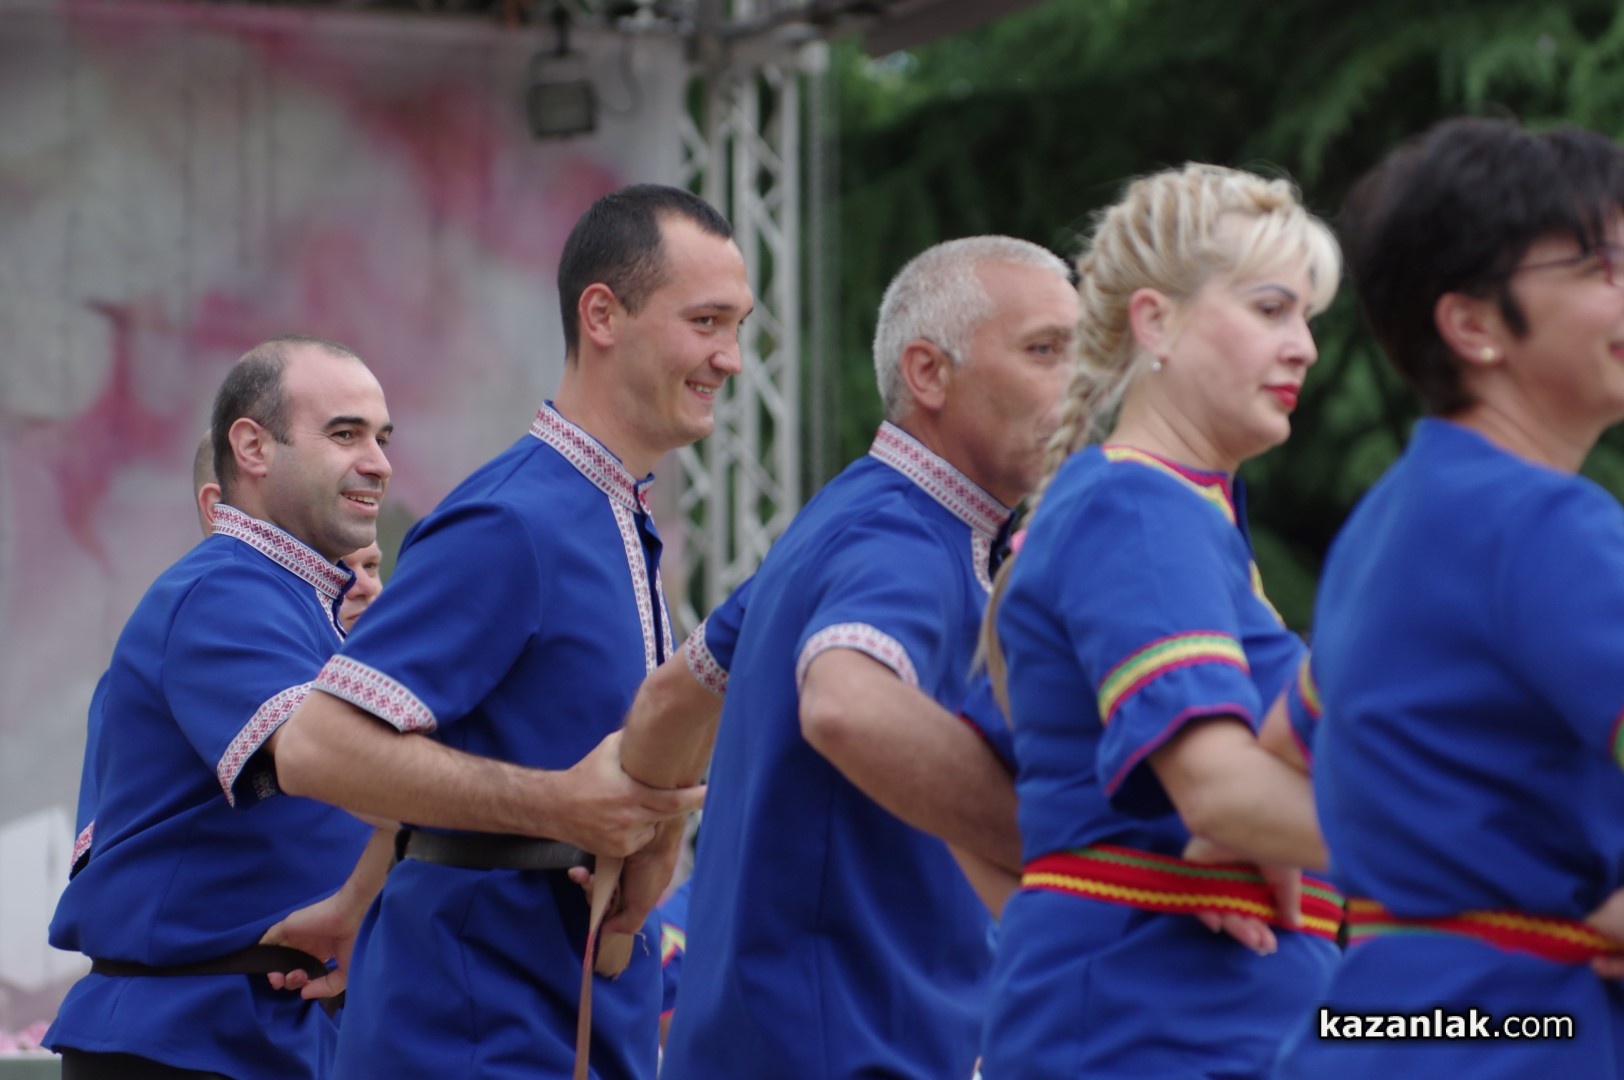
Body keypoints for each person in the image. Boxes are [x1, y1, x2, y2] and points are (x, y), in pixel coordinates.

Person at [268, 184, 734, 1080]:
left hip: (554, 1026)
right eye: (706, 321)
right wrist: (559, 807)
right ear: (603, 315)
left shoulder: (608, 515)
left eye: (737, 325)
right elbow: (318, 746)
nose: (732, 357)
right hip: (476, 1038)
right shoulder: (513, 521)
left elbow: (465, 748)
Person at [641, 236, 1079, 1080]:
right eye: (1044, 350)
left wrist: (641, 858)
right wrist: (1068, 848)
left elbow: (669, 699)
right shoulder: (901, 538)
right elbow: (845, 705)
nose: (1081, 380)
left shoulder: (838, 520)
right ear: (928, 373)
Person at [1273, 117, 1624, 1079]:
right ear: (1472, 325)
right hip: (1518, 1031)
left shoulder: (1384, 527)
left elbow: (1284, 738)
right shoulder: (1542, 523)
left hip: (1377, 1022)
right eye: (1599, 266)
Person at [977, 164, 1343, 1079]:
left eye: (1306, 317)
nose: (1303, 346)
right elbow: (1218, 793)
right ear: (1156, 322)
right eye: (1270, 309)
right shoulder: (1138, 508)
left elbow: (1004, 786)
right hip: (1155, 1030)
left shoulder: (1160, 512)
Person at [46, 336, 395, 1080]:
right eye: (345, 433)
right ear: (253, 448)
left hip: (268, 1031)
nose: (379, 462)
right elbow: (331, 762)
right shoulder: (223, 589)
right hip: (187, 1037)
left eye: (381, 437)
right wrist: (550, 805)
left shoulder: (300, 606)